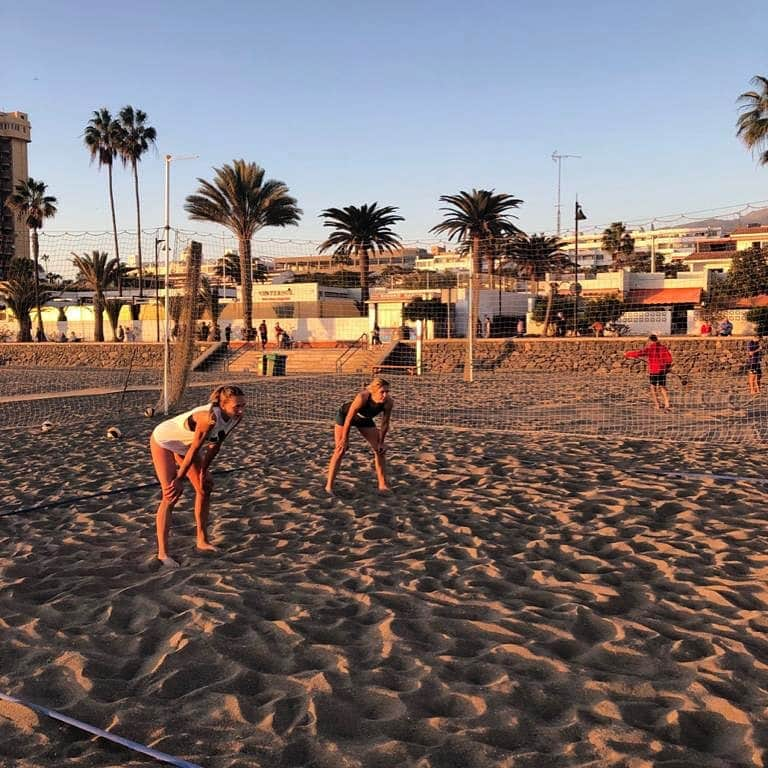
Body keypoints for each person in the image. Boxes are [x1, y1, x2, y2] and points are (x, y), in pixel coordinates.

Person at [150, 384, 246, 567]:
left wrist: (203, 472)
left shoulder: (235, 417)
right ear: (223, 405)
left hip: (185, 446)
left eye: (243, 405)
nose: (241, 410)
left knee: (205, 487)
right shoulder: (208, 418)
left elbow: (215, 445)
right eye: (237, 406)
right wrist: (179, 479)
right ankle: (163, 553)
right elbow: (194, 449)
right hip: (164, 441)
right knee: (170, 494)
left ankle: (202, 540)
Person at [326, 377, 394, 495]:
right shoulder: (362, 397)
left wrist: (381, 442)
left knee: (380, 450)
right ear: (373, 391)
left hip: (365, 419)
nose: (385, 395)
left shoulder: (388, 402)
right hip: (345, 417)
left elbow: (385, 424)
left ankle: (383, 485)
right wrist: (345, 439)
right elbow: (348, 419)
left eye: (387, 392)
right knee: (340, 449)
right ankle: (329, 487)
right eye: (382, 392)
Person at [624, 334, 673, 411]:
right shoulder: (663, 348)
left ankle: (657, 405)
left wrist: (627, 354)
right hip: (663, 370)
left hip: (654, 371)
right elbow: (669, 359)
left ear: (650, 341)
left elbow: (639, 353)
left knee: (653, 388)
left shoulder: (650, 348)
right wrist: (667, 367)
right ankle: (667, 404)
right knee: (662, 386)